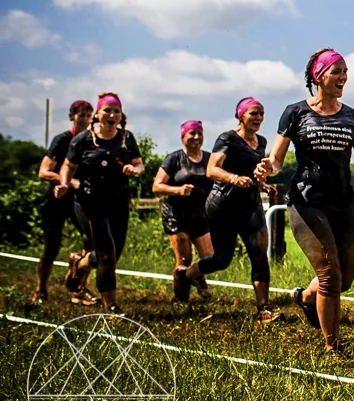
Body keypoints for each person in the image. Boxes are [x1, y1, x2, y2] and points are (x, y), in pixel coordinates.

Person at [255, 48, 354, 357]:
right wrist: (266, 168)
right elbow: (277, 160)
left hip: (343, 202)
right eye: (336, 71)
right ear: (318, 76)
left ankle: (305, 298)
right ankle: (332, 348)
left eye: (345, 72)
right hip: (307, 203)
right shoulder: (295, 113)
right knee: (330, 278)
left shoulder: (352, 117)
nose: (343, 77)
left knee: (344, 279)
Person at [173, 98, 280, 322]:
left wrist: (263, 184)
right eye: (253, 113)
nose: (259, 118)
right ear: (241, 116)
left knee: (259, 254)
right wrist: (233, 178)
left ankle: (263, 309)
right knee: (222, 260)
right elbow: (212, 170)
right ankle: (187, 275)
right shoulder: (227, 138)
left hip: (251, 205)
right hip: (222, 206)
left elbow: (252, 171)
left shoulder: (261, 141)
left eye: (261, 114)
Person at [54, 93, 144, 314]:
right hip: (89, 202)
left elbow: (139, 164)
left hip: (119, 202)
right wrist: (64, 182)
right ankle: (111, 305)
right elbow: (67, 165)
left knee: (114, 254)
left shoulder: (127, 138)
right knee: (107, 254)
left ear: (121, 115)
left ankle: (80, 264)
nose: (112, 115)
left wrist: (134, 170)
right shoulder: (83, 139)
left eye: (116, 111)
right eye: (107, 110)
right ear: (98, 114)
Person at [34, 100, 97, 305]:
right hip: (56, 200)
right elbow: (43, 172)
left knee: (91, 242)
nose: (85, 119)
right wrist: (68, 181)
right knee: (51, 248)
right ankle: (40, 290)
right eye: (81, 115)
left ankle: (78, 288)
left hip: (81, 201)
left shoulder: (93, 140)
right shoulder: (62, 140)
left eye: (89, 115)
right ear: (72, 116)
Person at [153, 120, 213, 301]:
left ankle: (196, 275)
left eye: (199, 134)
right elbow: (157, 186)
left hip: (200, 214)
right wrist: (177, 190)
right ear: (183, 137)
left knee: (210, 258)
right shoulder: (174, 159)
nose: (196, 137)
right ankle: (181, 298)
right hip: (176, 215)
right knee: (184, 260)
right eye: (192, 134)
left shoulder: (209, 159)